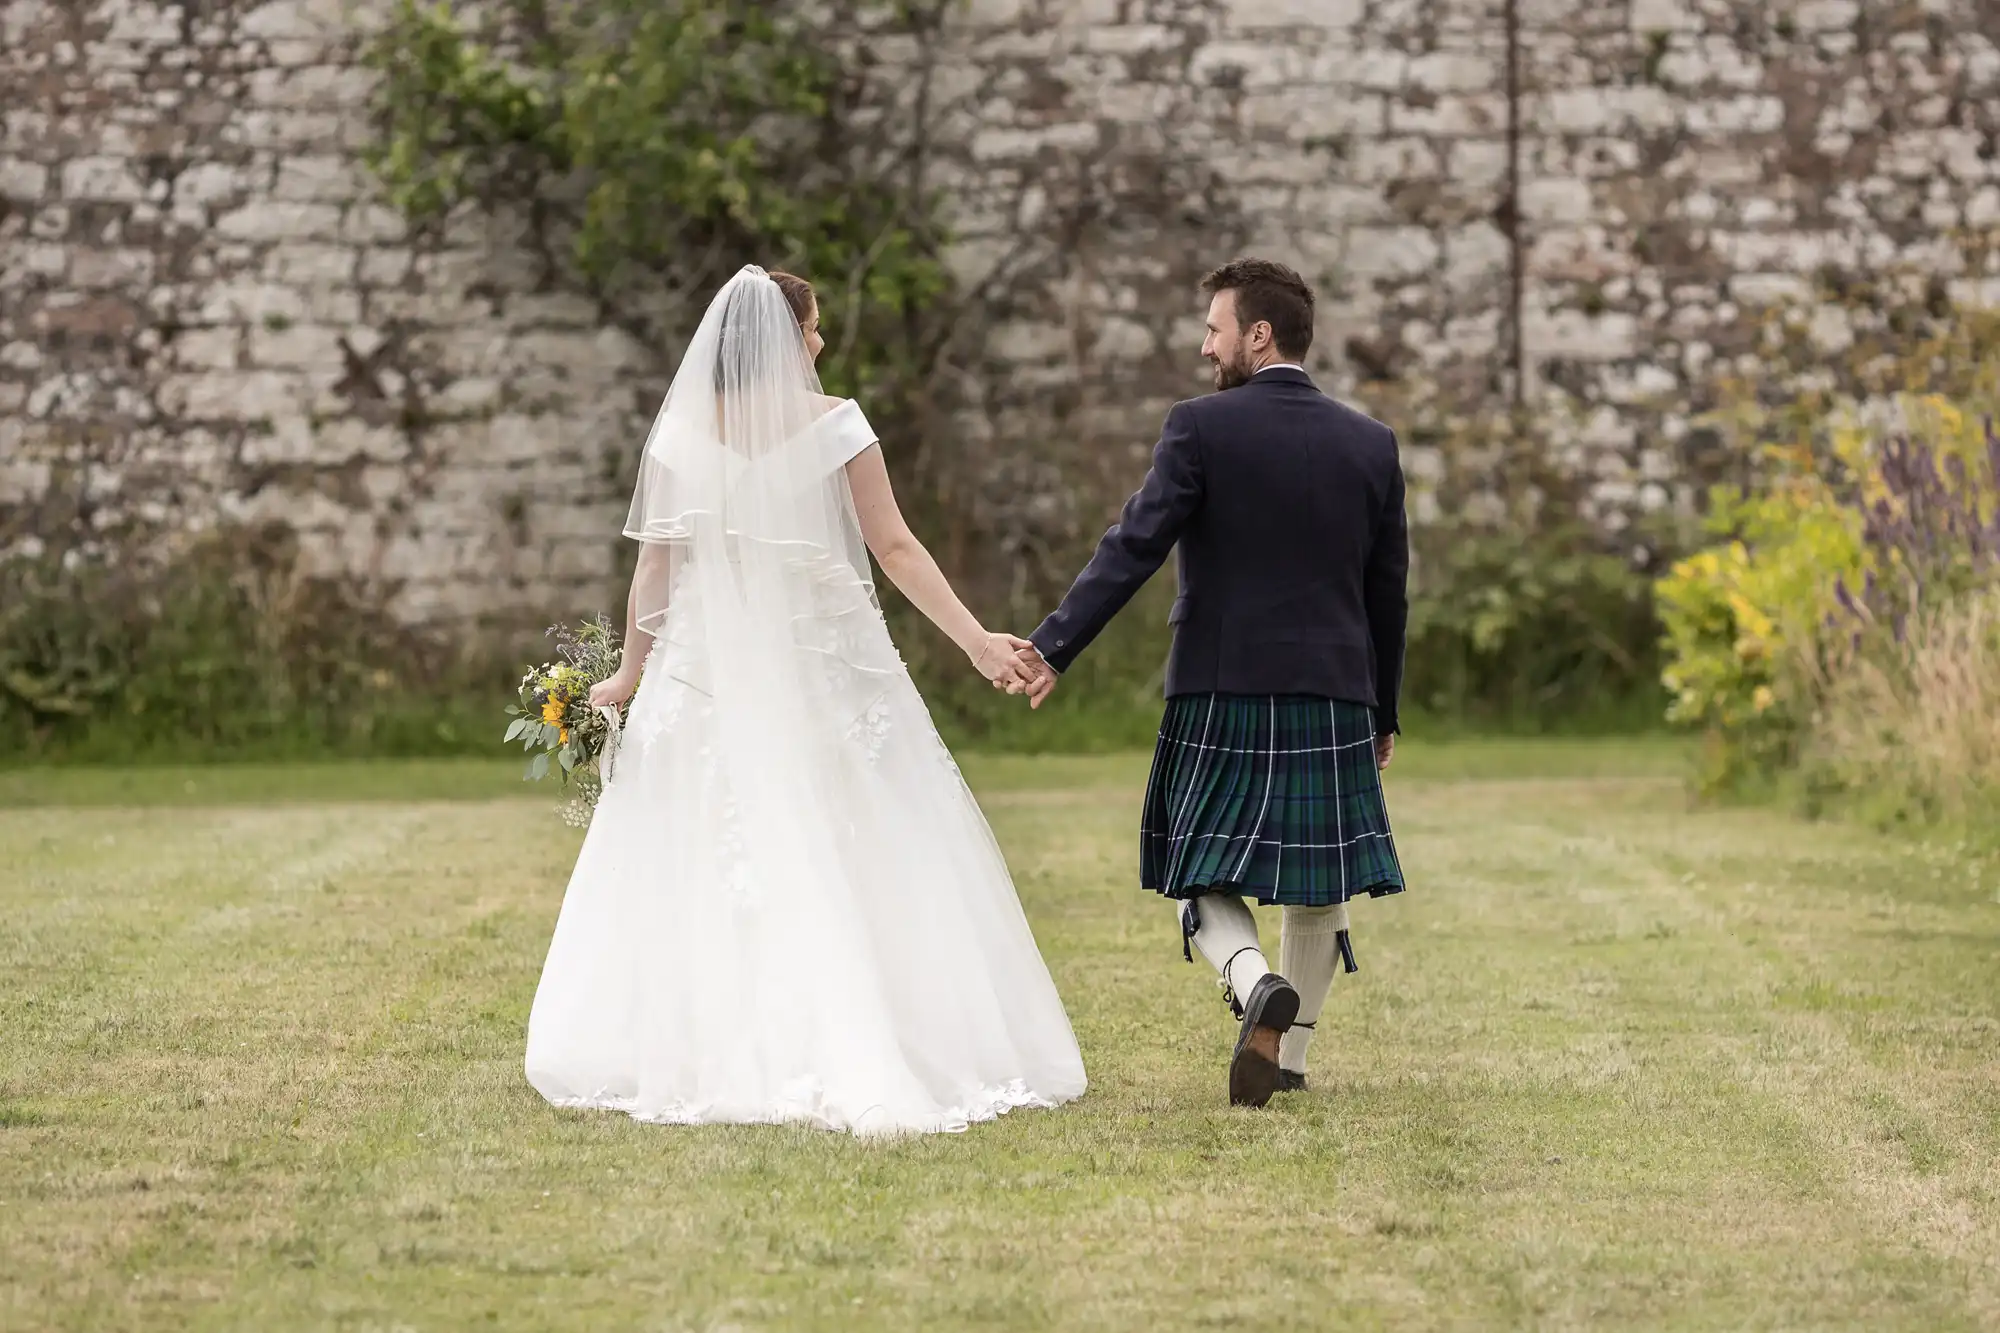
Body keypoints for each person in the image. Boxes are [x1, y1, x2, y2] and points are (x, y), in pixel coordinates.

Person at [524, 265, 1086, 1135]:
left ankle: (725, 1035)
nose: (821, 344)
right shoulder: (837, 427)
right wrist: (976, 642)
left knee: (712, 841)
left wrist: (632, 674)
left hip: (706, 666)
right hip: (829, 661)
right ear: (786, 341)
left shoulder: (679, 439)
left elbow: (655, 574)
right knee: (857, 832)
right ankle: (864, 1026)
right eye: (813, 329)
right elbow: (894, 548)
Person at [1019, 257, 1409, 1108]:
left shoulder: (1201, 427)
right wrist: (1384, 709)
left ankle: (1249, 977)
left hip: (1221, 687)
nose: (1205, 347)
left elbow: (1134, 545)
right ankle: (1292, 1053)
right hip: (1337, 690)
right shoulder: (1370, 443)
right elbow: (1389, 594)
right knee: (1320, 878)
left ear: (1257, 334)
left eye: (1214, 328)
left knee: (1200, 864)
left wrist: (1055, 646)